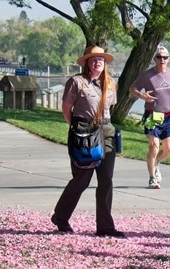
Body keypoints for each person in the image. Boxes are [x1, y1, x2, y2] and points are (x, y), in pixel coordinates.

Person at [51, 45, 124, 238]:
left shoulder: (110, 84)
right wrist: (78, 129)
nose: (97, 61)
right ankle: (60, 216)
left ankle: (105, 227)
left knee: (106, 180)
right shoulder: (77, 82)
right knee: (82, 179)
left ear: (105, 63)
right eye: (93, 59)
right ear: (87, 63)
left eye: (101, 59)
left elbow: (110, 108)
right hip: (84, 132)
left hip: (106, 130)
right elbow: (67, 109)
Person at [129, 45, 170, 189]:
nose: (162, 60)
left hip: (169, 116)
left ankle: (156, 163)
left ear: (168, 59)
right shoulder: (147, 75)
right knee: (154, 147)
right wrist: (142, 96)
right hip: (153, 115)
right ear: (154, 59)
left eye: (165, 57)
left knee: (169, 150)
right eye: (159, 57)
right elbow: (132, 89)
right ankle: (152, 178)